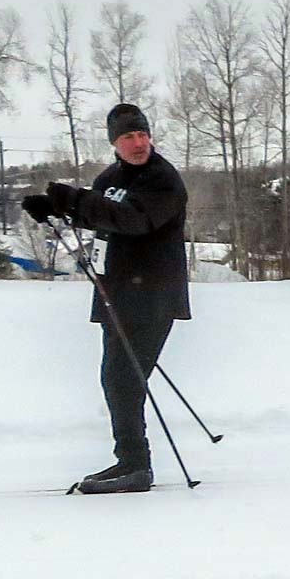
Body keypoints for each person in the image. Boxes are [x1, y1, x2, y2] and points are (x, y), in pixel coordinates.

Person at [21, 103, 190, 494]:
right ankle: (128, 462)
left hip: (152, 294)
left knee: (123, 379)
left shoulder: (162, 180)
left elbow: (134, 219)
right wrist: (56, 211)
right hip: (118, 292)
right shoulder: (110, 177)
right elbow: (102, 216)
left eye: (142, 134)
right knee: (115, 378)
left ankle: (135, 466)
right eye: (128, 136)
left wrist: (76, 200)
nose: (138, 143)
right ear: (114, 142)